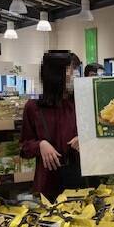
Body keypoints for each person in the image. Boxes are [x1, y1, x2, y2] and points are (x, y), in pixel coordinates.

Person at [20, 51, 84, 200]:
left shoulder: (79, 103)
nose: (73, 75)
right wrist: (40, 145)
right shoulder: (33, 108)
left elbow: (96, 134)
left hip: (78, 181)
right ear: (55, 75)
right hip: (47, 184)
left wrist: (84, 139)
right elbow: (24, 147)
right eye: (69, 70)